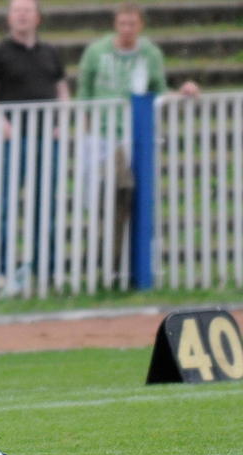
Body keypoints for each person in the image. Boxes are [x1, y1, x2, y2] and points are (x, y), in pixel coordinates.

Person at [77, 2, 200, 275]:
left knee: (131, 199)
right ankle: (105, 259)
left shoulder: (150, 54)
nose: (127, 29)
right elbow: (84, 94)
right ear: (115, 25)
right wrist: (85, 134)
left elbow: (159, 91)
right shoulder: (97, 52)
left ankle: (122, 262)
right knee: (107, 198)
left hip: (135, 136)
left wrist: (183, 92)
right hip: (102, 135)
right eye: (123, 24)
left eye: (132, 24)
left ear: (140, 25)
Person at [0, 0, 70, 293]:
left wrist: (61, 122)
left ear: (37, 17)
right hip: (13, 141)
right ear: (9, 17)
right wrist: (2, 125)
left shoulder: (50, 52)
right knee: (5, 206)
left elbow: (62, 90)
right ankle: (1, 271)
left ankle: (48, 272)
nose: (22, 16)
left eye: (27, 11)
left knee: (47, 206)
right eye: (17, 11)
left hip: (47, 140)